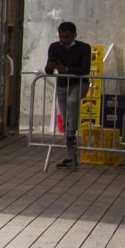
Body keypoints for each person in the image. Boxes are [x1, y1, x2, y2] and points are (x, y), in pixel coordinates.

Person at [45, 21, 91, 170]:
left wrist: (66, 69)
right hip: (62, 85)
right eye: (61, 37)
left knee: (72, 102)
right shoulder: (54, 47)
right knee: (66, 119)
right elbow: (48, 70)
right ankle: (71, 156)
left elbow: (85, 69)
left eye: (67, 37)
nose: (64, 40)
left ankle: (71, 134)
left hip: (79, 83)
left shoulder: (84, 48)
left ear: (74, 35)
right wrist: (50, 67)